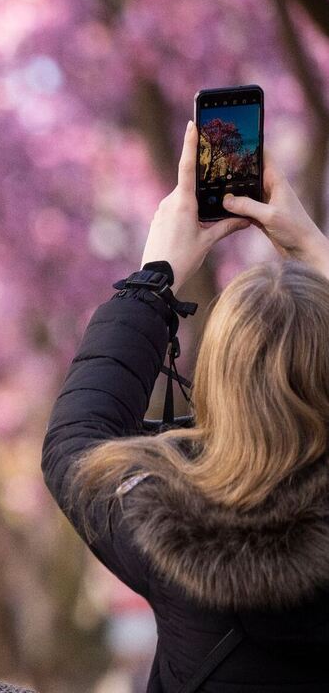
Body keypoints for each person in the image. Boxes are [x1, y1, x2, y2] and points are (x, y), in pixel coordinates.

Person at [42, 120, 329, 691]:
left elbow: (75, 440)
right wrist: (314, 249)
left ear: (217, 383)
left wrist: (155, 277)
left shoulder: (170, 537)